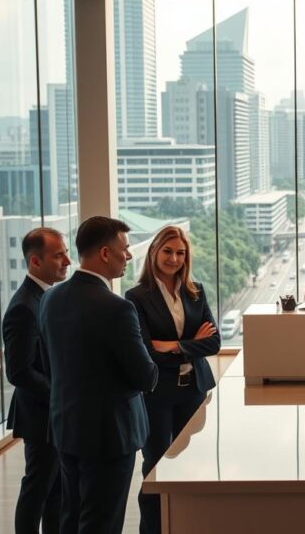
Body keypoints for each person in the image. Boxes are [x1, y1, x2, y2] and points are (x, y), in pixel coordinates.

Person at [40, 216, 158, 534]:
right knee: (101, 522)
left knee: (72, 516)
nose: (129, 256)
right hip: (109, 436)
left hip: (66, 428)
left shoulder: (50, 298)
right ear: (105, 253)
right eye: (125, 249)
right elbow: (145, 377)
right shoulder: (117, 308)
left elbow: (49, 363)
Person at [125, 226, 220, 534]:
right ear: (154, 252)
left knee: (188, 465)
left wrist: (173, 345)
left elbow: (214, 344)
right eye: (168, 251)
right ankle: (151, 529)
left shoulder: (196, 291)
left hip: (193, 392)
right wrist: (191, 344)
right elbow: (146, 352)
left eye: (180, 253)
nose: (174, 258)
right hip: (157, 395)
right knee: (155, 467)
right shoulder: (136, 297)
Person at [3, 227, 71, 534]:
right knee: (38, 487)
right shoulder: (23, 307)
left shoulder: (49, 296)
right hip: (40, 414)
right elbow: (18, 371)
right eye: (58, 255)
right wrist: (63, 393)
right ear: (34, 261)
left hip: (54, 412)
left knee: (56, 490)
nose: (67, 261)